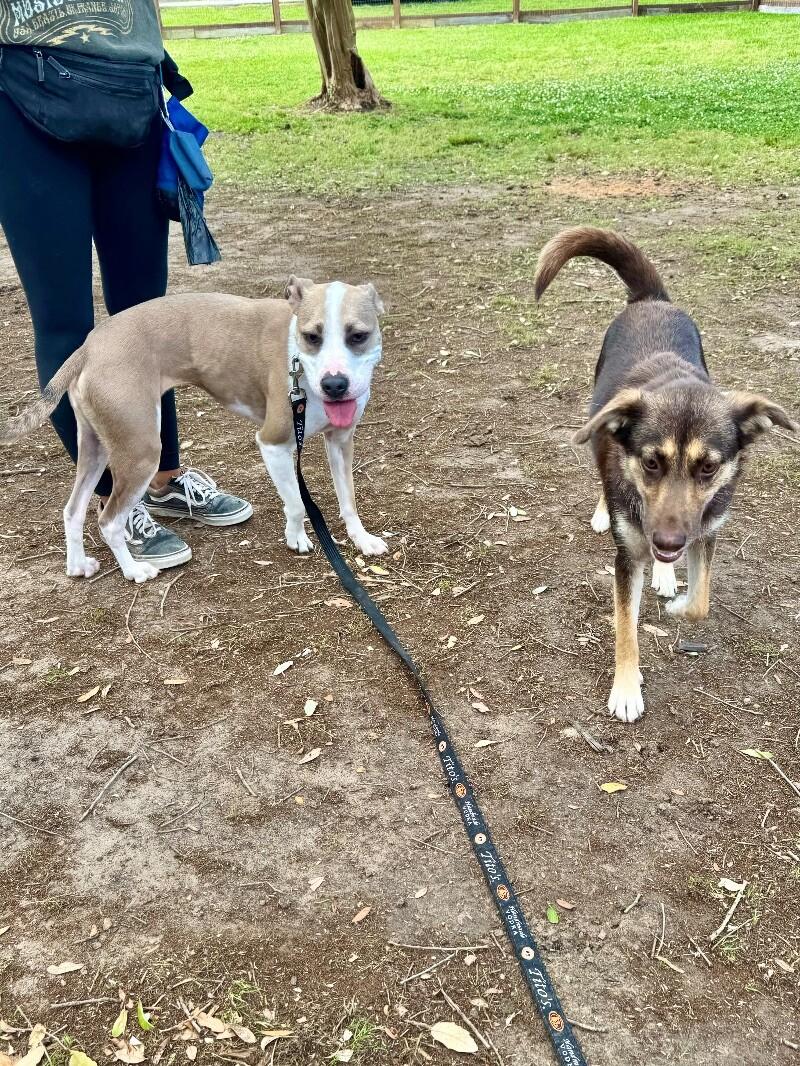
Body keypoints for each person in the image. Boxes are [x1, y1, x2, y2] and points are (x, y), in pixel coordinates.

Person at [0, 0, 251, 570]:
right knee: (63, 318)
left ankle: (160, 478)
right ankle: (118, 495)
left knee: (147, 315)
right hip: (21, 90)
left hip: (132, 92)